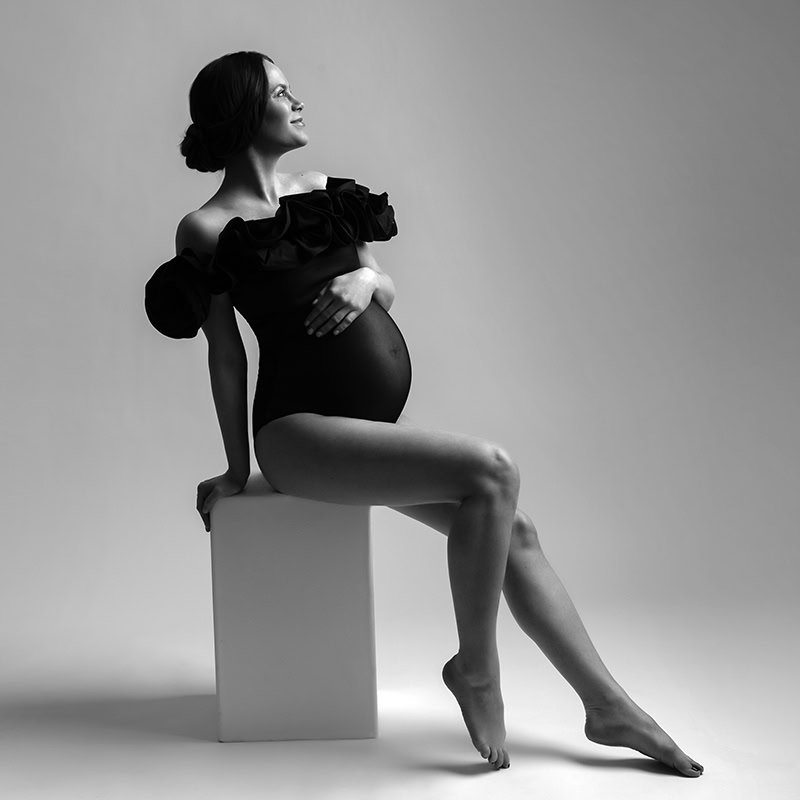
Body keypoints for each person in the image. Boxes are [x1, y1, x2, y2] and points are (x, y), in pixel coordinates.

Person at [144, 50, 704, 776]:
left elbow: (386, 289)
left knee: (515, 529)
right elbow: (226, 354)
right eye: (283, 92)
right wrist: (235, 470)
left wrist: (365, 278)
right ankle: (476, 670)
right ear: (249, 111)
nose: (299, 101)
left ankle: (608, 706)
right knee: (493, 470)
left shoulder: (326, 193)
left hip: (366, 427)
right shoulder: (208, 227)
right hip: (298, 434)